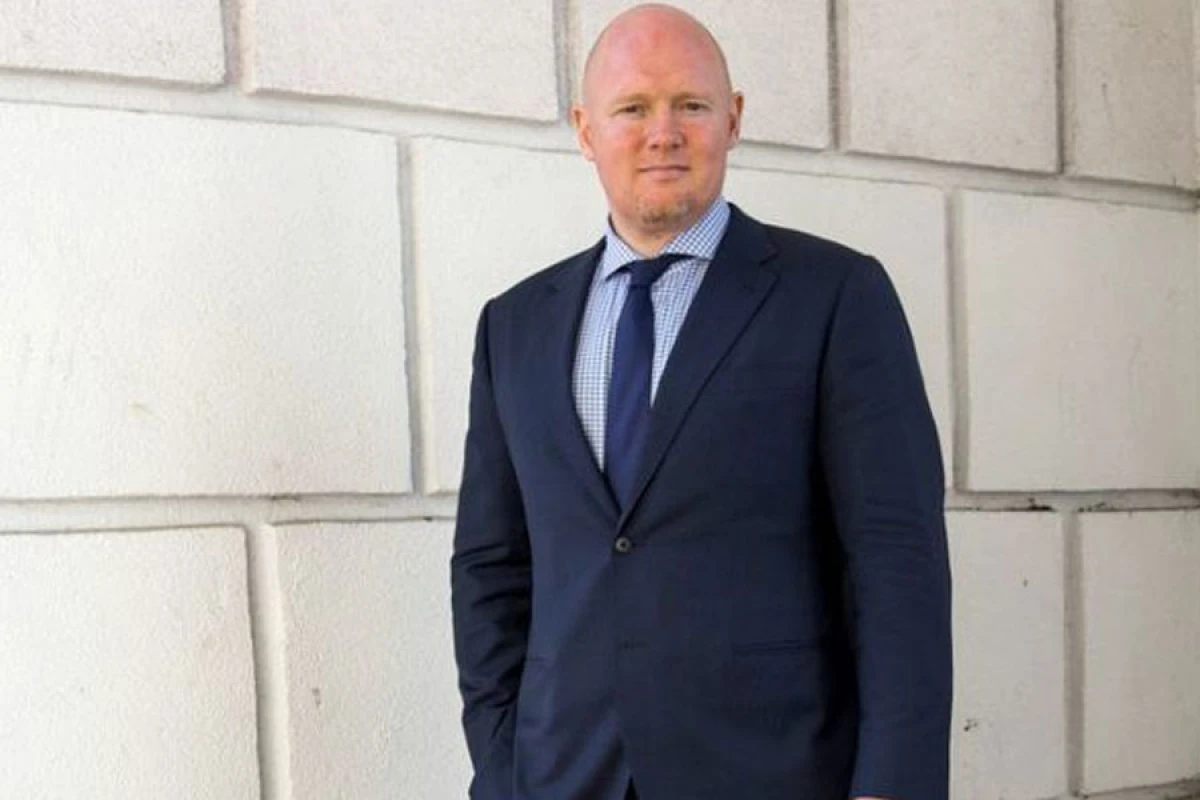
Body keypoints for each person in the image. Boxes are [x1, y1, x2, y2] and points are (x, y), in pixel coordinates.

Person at [450, 4, 952, 799]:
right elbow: (491, 567)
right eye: (632, 108)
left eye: (691, 104)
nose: (664, 133)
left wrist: (891, 785)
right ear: (585, 130)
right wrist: (502, 766)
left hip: (774, 773)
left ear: (734, 118)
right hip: (561, 776)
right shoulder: (513, 326)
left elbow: (897, 561)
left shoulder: (835, 296)